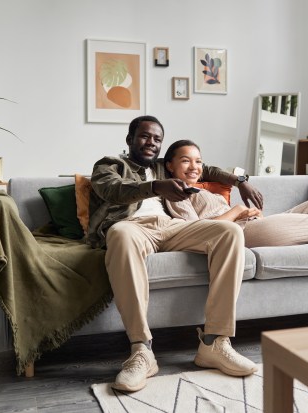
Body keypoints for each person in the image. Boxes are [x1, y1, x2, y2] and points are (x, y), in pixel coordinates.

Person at [88, 116, 263, 392]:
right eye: (145, 136)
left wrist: (240, 180)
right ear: (130, 139)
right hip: (132, 227)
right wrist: (156, 187)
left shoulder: (162, 167)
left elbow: (209, 170)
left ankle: (214, 343)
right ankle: (141, 351)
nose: (151, 143)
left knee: (230, 233)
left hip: (172, 227)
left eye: (157, 139)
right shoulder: (110, 165)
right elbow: (112, 190)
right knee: (119, 235)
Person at [163, 140, 308, 248]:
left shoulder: (200, 189)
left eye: (198, 161)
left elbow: (213, 172)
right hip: (244, 233)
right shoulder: (175, 193)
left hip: (256, 224)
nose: (194, 167)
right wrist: (238, 210)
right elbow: (196, 232)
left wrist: (250, 212)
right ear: (170, 165)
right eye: (186, 161)